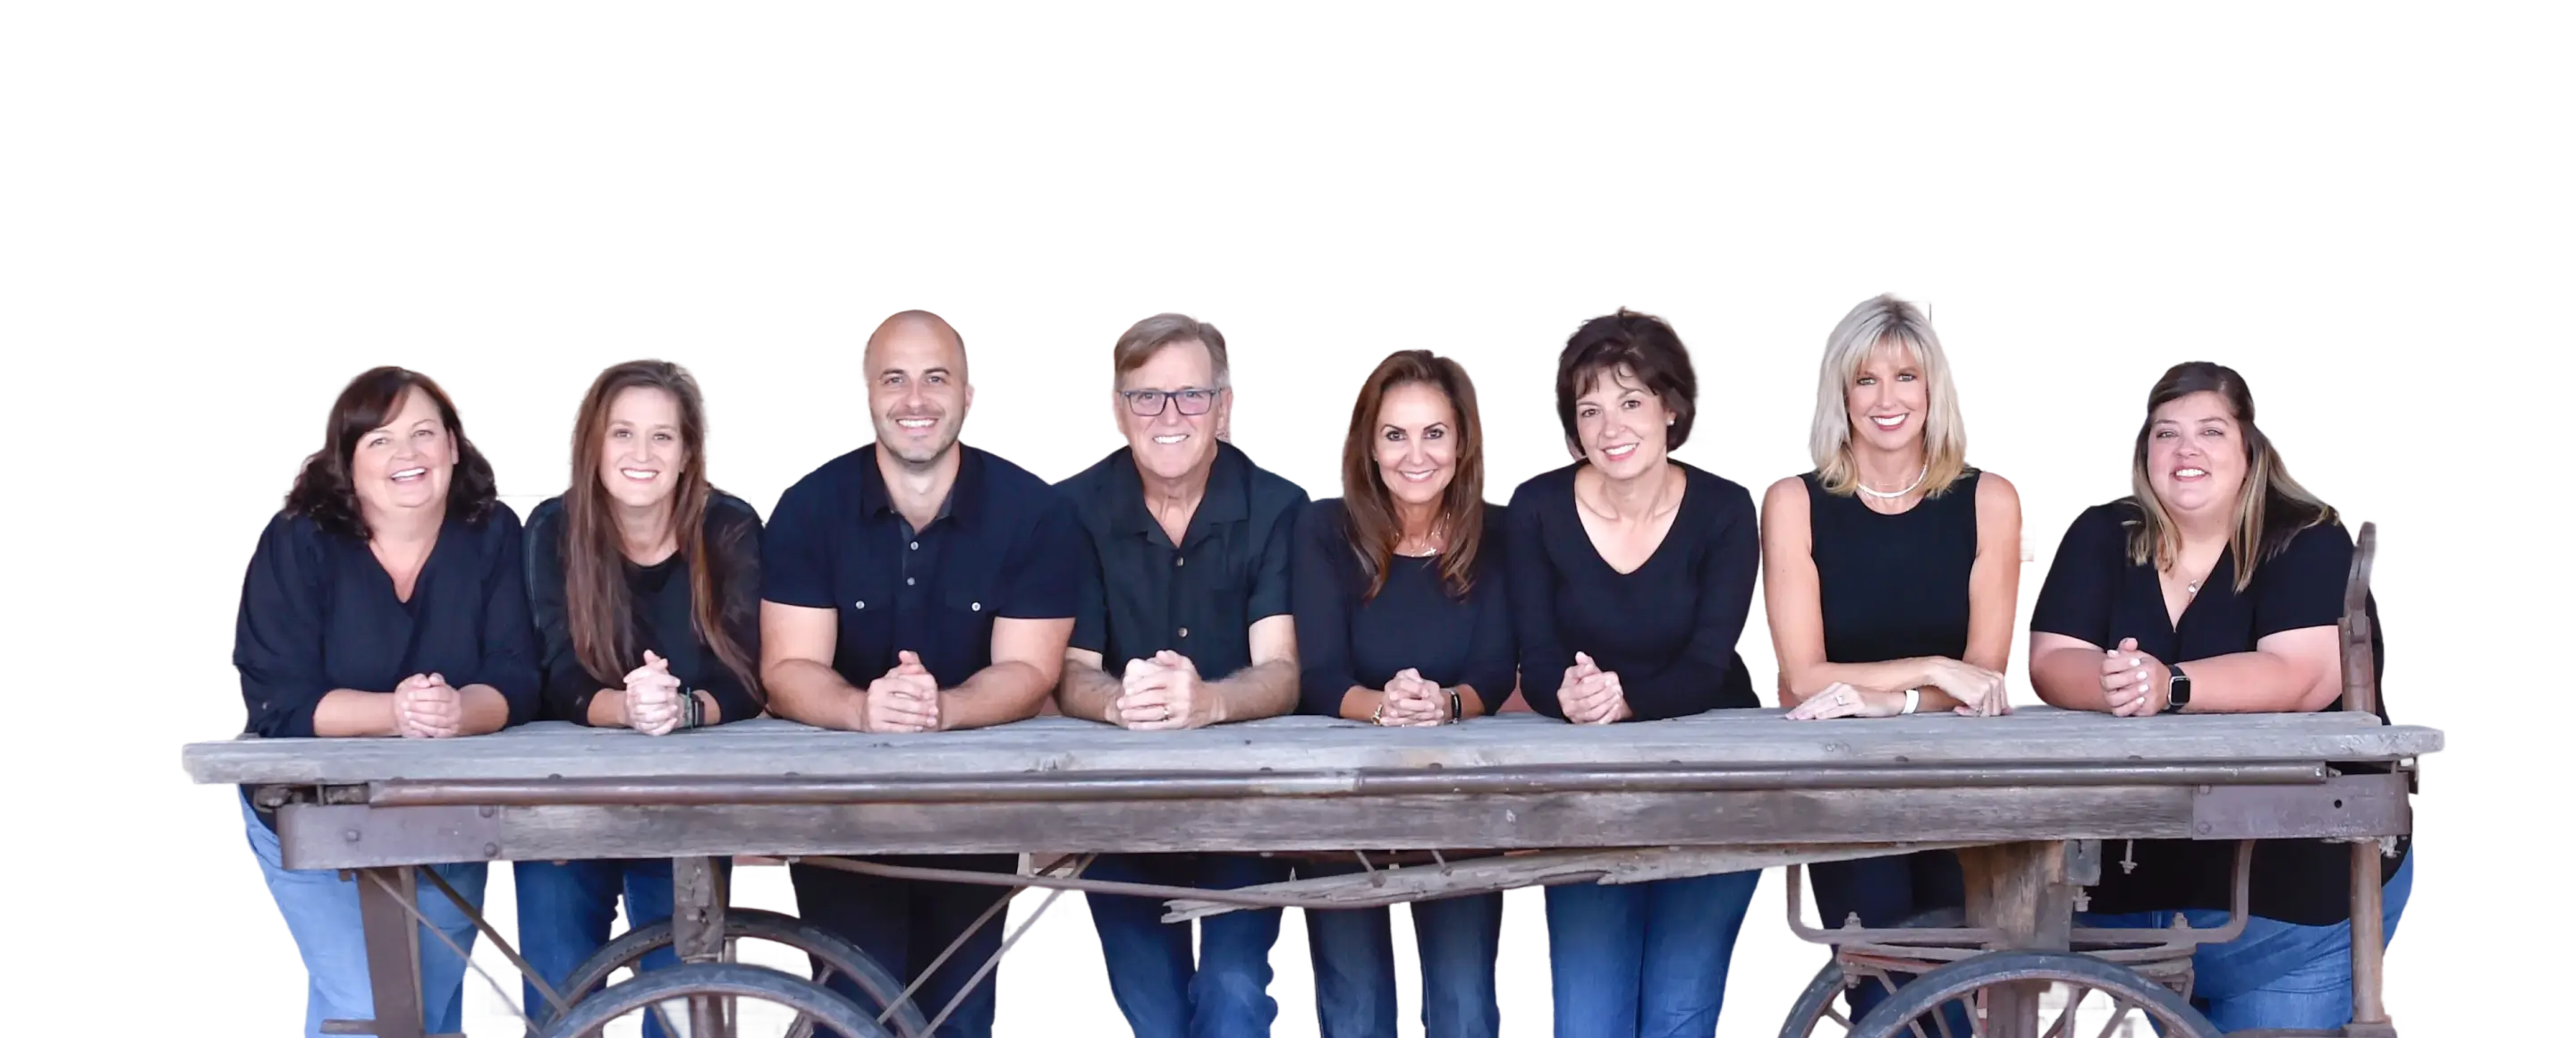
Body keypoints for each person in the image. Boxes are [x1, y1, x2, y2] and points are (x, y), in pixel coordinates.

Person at [2027, 360, 2415, 1033]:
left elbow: (2300, 676)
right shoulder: (2103, 533)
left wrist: (2169, 685)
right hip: (2133, 896)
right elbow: (2050, 659)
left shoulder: (2307, 538)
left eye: (2210, 431)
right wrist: (2116, 684)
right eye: (2167, 434)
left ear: (2250, 450)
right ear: (2143, 452)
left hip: (2285, 899)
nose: (2186, 451)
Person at [758, 310, 1082, 1038]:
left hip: (976, 816)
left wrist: (946, 706)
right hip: (839, 817)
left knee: (961, 1016)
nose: (916, 399)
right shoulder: (810, 507)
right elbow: (786, 666)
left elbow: (1030, 668)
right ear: (865, 396)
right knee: (852, 1013)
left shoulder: (1034, 513)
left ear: (971, 394)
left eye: (936, 378)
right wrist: (861, 710)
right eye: (894, 380)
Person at [233, 366, 538, 1038]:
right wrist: (396, 714)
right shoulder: (296, 541)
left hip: (444, 812)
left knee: (425, 1008)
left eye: (425, 434)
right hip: (308, 812)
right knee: (365, 1011)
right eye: (380, 440)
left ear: (454, 448)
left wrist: (459, 711)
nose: (408, 455)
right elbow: (278, 706)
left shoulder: (492, 533)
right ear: (346, 460)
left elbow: (516, 676)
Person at [1501, 307, 1762, 1038]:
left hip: (1713, 788)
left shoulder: (1725, 508)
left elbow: (1711, 664)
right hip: (1586, 795)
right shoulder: (1535, 508)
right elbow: (1539, 654)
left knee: (1681, 1008)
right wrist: (1572, 695)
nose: (1610, 426)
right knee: (1588, 1018)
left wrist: (1627, 701)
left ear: (1670, 408)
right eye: (1590, 409)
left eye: (1630, 401)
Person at [1764, 290, 2019, 1025]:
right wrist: (1932, 671)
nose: (1887, 399)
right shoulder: (1793, 501)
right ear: (1840, 393)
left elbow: (1985, 677)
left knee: (1961, 980)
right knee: (1879, 978)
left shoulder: (1990, 500)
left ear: (1933, 388)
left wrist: (1892, 700)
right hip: (1845, 783)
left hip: (1964, 785)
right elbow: (1803, 678)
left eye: (1905, 377)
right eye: (1866, 379)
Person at [1055, 311, 1309, 1038]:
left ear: (1223, 407)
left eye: (1191, 396)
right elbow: (1071, 673)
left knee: (1233, 991)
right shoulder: (1072, 509)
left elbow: (1283, 669)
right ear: (1117, 411)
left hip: (1245, 808)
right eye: (1146, 397)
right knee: (1156, 1013)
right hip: (1117, 811)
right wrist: (1120, 703)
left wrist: (1206, 702)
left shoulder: (1278, 505)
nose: (1169, 416)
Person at [516, 358, 765, 1036]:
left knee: (682, 1000)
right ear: (591, 443)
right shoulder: (550, 531)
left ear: (689, 453)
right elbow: (553, 676)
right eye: (622, 433)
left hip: (690, 798)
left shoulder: (732, 530)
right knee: (559, 989)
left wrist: (680, 711)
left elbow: (748, 678)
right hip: (569, 802)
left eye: (662, 437)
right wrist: (625, 708)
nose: (641, 454)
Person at [1289, 348, 1511, 1038]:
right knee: (1355, 1010)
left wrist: (1443, 706)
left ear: (1462, 440)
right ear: (1368, 445)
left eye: (1434, 433)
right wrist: (1386, 708)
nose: (1416, 454)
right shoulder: (1323, 529)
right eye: (1395, 434)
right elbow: (1318, 676)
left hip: (1460, 799)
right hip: (1342, 802)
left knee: (1465, 1002)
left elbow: (1496, 671)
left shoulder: (1495, 531)